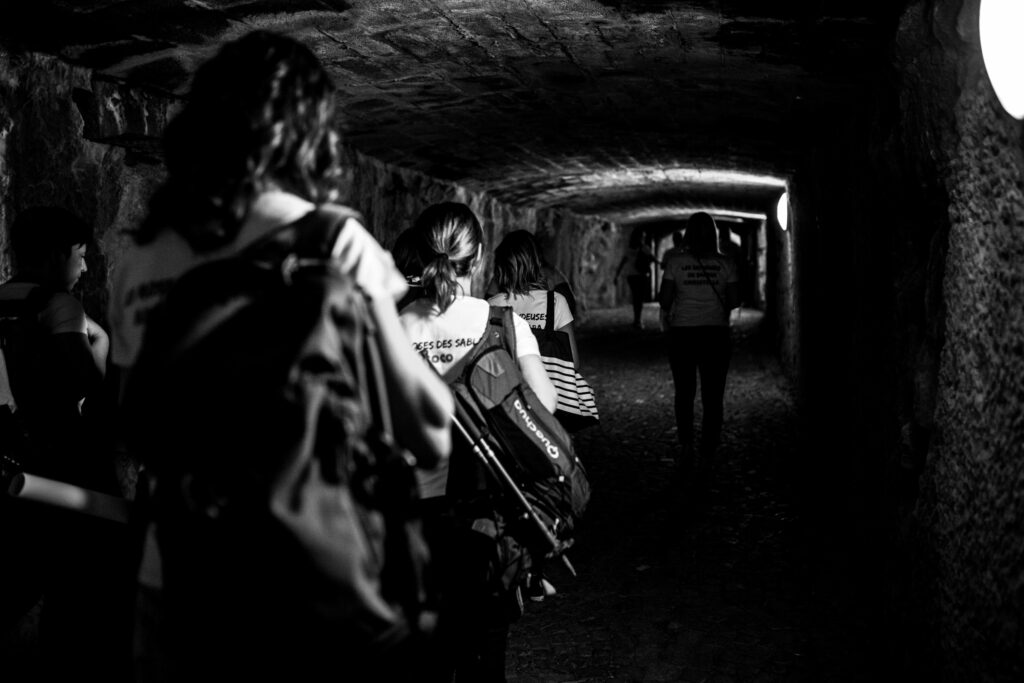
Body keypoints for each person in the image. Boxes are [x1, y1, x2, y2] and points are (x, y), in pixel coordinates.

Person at [105, 30, 453, 681]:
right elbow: (429, 433)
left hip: (180, 580)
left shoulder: (141, 257)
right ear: (307, 133)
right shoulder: (333, 242)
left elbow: (135, 421)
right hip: (311, 585)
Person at [399, 202, 557, 682]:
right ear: (480, 256)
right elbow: (544, 409)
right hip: (484, 521)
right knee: (485, 659)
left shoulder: (388, 327)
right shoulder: (502, 325)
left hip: (410, 520)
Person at [0, 205, 133, 681]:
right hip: (65, 468)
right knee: (88, 581)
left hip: (14, 462)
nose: (84, 266)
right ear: (57, 255)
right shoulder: (58, 306)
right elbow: (88, 390)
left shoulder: (3, 300)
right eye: (80, 254)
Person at [487, 230, 578, 604]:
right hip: (546, 408)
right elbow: (572, 362)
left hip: (506, 412)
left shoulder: (490, 304)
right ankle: (536, 570)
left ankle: (514, 567)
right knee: (546, 490)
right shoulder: (555, 302)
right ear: (534, 263)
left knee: (507, 491)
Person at [658, 211, 739, 480]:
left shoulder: (676, 261)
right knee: (713, 396)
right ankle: (708, 453)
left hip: (683, 334)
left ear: (688, 233)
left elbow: (665, 300)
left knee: (684, 392)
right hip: (715, 333)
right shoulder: (726, 263)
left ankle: (686, 446)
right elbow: (734, 300)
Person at [615, 226, 658, 329]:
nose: (643, 238)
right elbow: (653, 259)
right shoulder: (645, 248)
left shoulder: (629, 248)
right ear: (640, 237)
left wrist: (616, 275)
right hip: (641, 276)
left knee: (636, 297)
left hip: (631, 276)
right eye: (642, 236)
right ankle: (638, 319)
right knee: (639, 298)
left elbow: (622, 262)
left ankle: (637, 319)